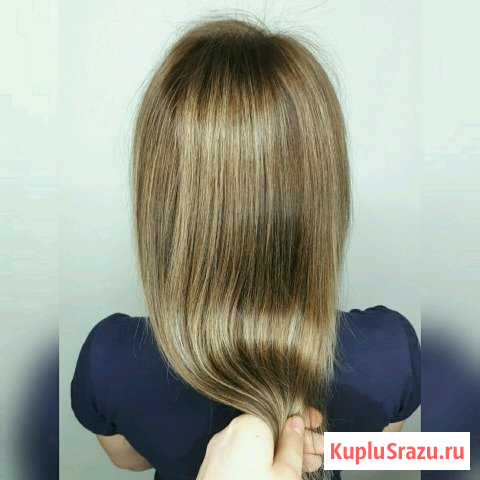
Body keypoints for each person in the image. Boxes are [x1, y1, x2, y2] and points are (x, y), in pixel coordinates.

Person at [70, 14, 420, 480]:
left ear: (160, 201)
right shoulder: (389, 355)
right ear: (325, 191)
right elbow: (377, 449)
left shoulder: (109, 364)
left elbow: (130, 459)